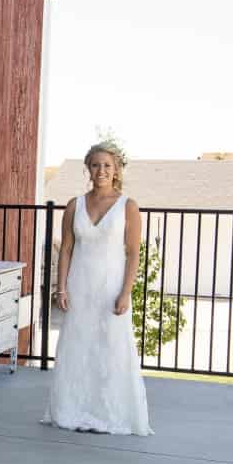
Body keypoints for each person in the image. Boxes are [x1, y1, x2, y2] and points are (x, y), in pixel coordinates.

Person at [44, 143, 153, 435]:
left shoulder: (128, 206)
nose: (101, 170)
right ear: (88, 169)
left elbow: (132, 253)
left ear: (116, 169)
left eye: (107, 165)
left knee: (112, 349)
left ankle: (111, 413)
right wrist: (61, 289)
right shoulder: (73, 205)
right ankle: (72, 409)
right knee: (77, 347)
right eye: (95, 165)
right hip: (80, 285)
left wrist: (126, 291)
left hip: (110, 286)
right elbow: (66, 250)